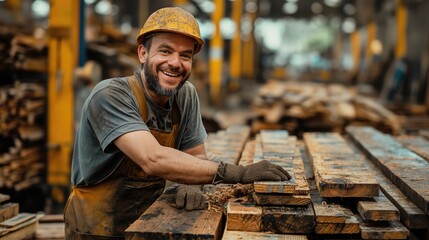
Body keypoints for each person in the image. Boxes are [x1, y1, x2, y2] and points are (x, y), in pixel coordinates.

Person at [64, 7, 291, 239]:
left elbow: (196, 156)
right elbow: (152, 159)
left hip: (149, 222)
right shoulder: (111, 95)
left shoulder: (185, 95)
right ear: (142, 53)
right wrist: (237, 173)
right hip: (97, 227)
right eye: (165, 51)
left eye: (185, 55)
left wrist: (191, 183)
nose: (175, 63)